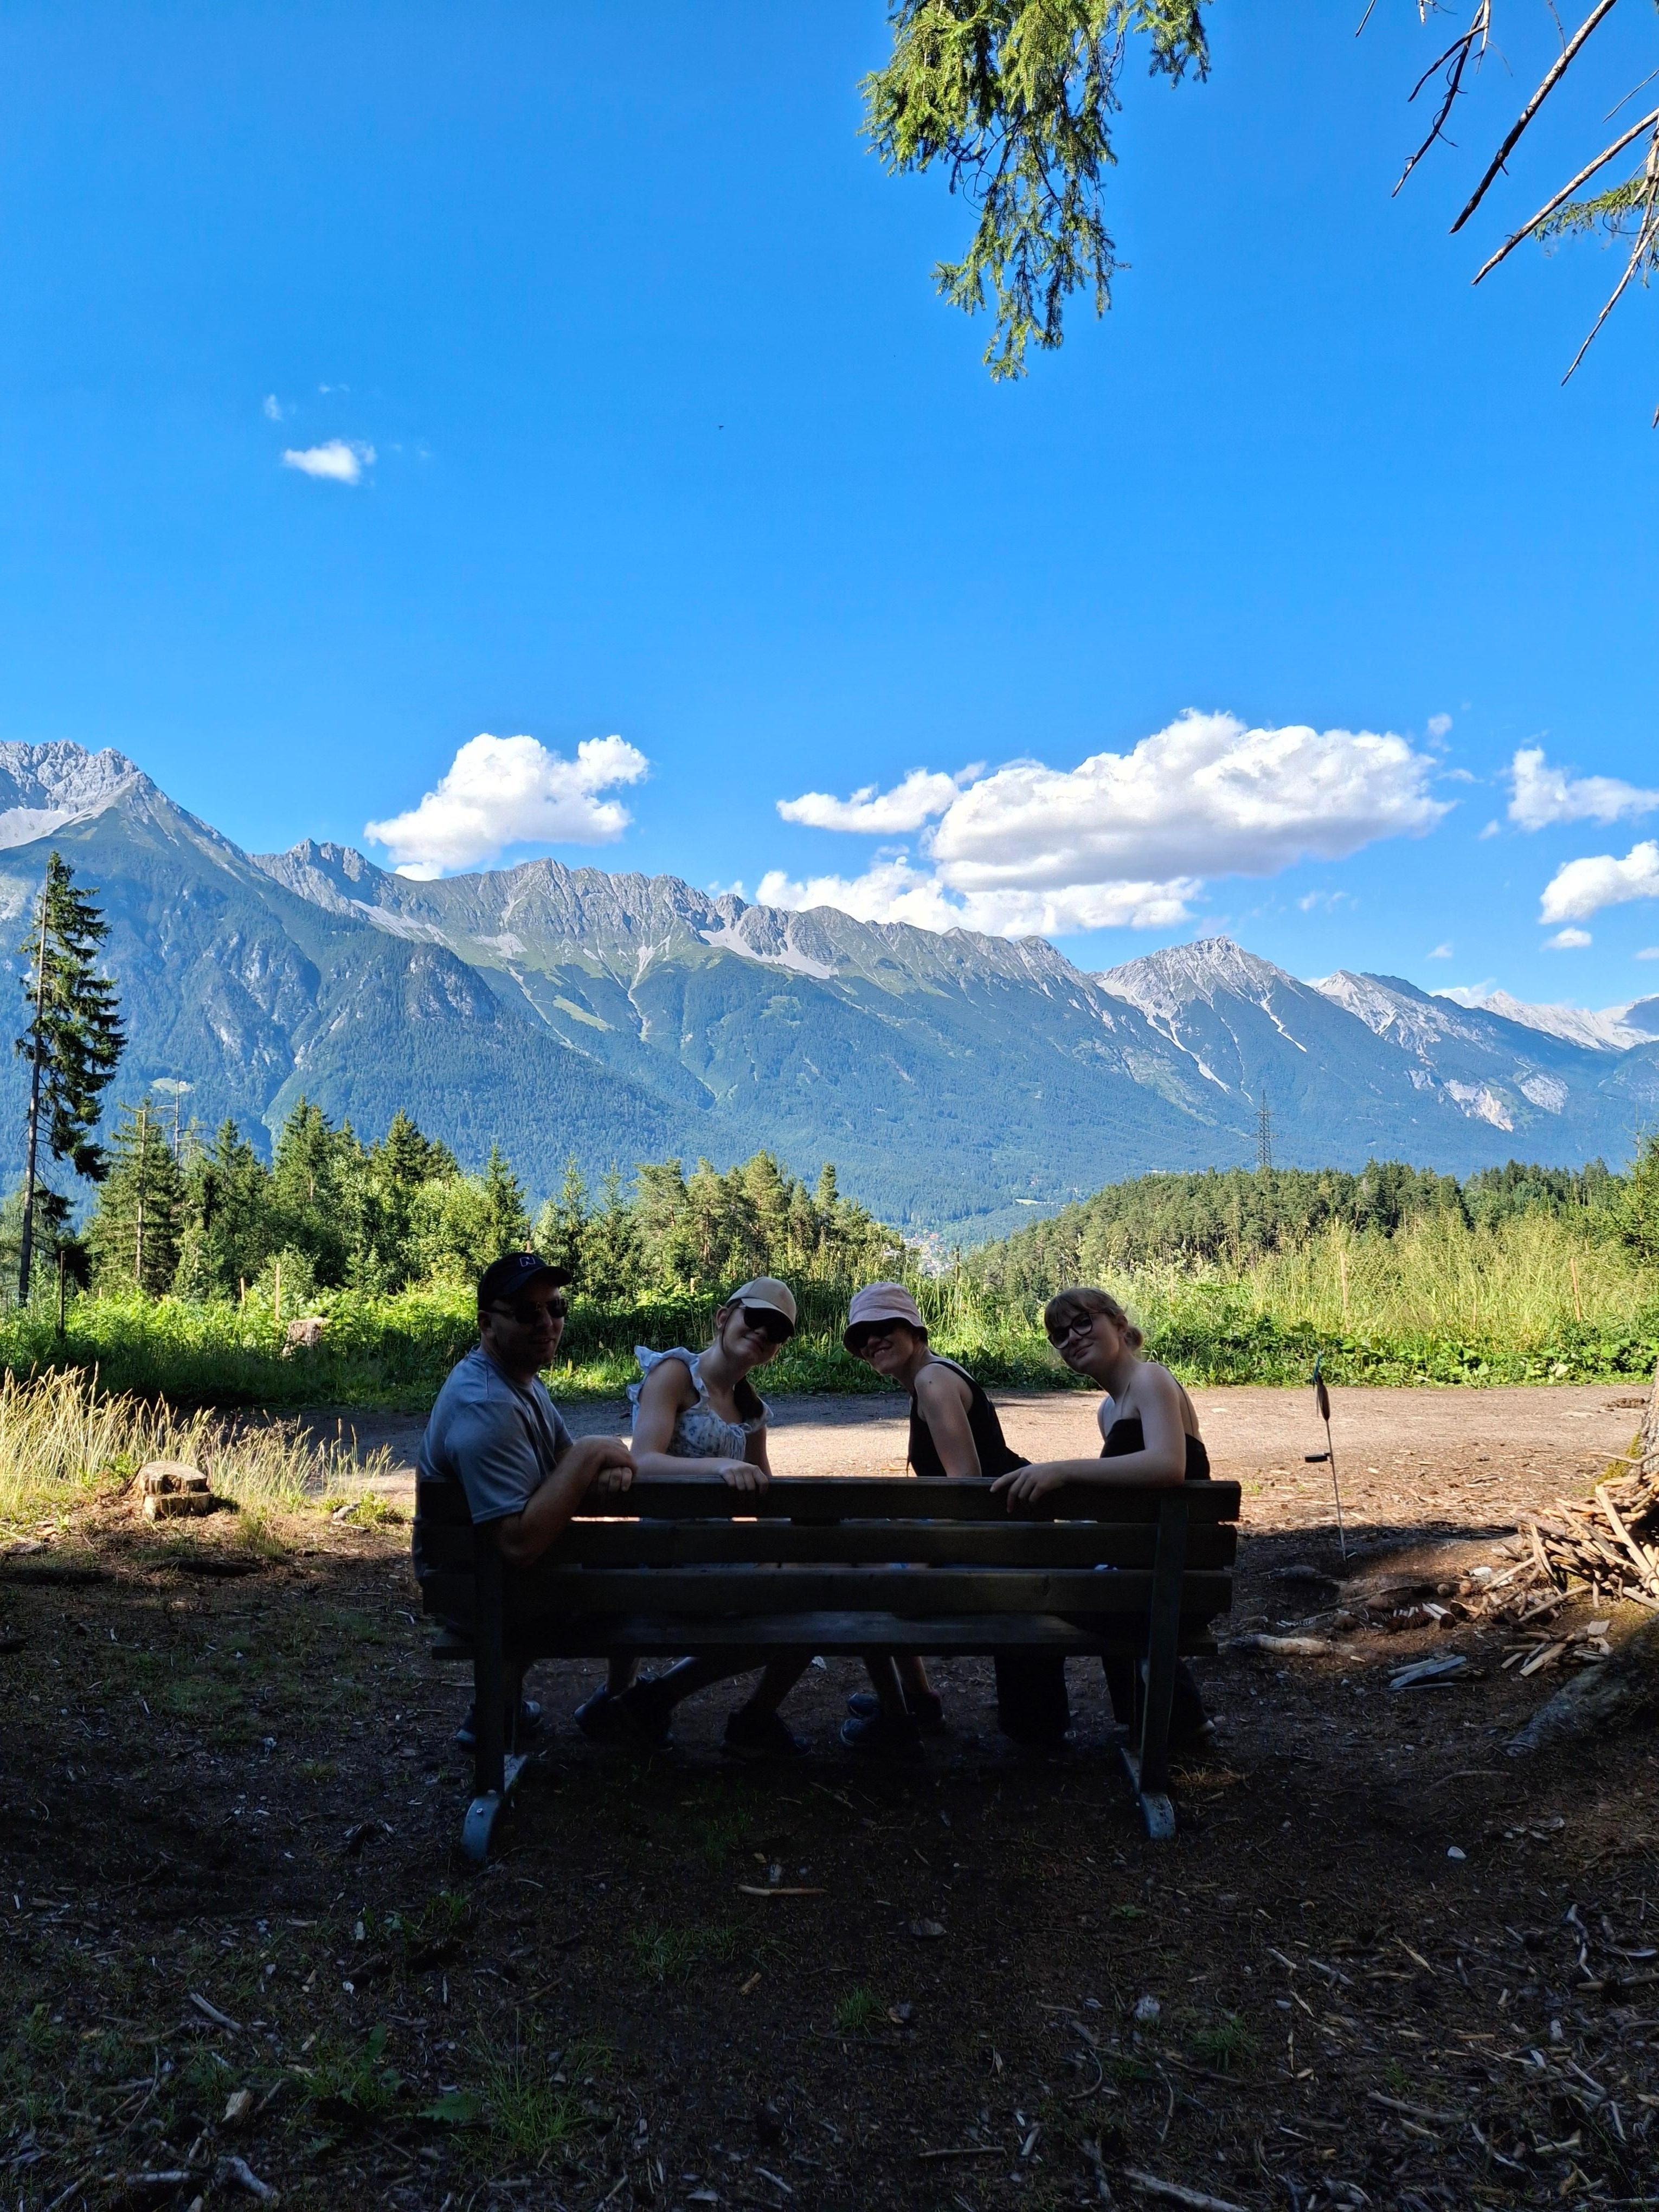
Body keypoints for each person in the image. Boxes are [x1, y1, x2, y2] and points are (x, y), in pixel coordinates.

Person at [573, 1278, 812, 1761]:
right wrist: (720, 1467)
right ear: (724, 1317)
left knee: (806, 1588)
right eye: (756, 1318)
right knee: (807, 1600)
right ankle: (669, 1704)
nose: (764, 1332)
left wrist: (783, 1546)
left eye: (778, 1330)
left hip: (711, 1561)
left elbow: (763, 1494)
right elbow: (643, 1461)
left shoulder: (751, 1410)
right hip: (665, 1560)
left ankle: (638, 1700)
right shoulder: (675, 1375)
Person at [416, 1250, 635, 1748]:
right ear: (487, 1323)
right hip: (482, 1587)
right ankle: (620, 1706)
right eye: (526, 1312)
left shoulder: (516, 1379)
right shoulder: (488, 1405)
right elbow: (517, 1543)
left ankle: (494, 1713)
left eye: (555, 1309)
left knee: (625, 1566)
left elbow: (560, 1458)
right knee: (635, 1579)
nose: (547, 1324)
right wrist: (590, 1456)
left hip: (482, 1574)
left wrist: (588, 1466)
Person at [990, 1286, 1213, 1750]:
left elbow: (1168, 1466)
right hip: (1148, 1571)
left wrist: (1063, 1470)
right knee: (1072, 1571)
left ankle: (1035, 1732)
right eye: (1059, 1334)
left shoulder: (1150, 1379)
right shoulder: (1109, 1409)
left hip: (1168, 1580)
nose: (1071, 1337)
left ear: (1117, 1321)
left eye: (1083, 1322)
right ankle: (1176, 1721)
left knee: (1019, 1591)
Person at [840, 1282, 1045, 1757]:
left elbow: (965, 1494)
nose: (871, 1341)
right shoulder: (934, 1378)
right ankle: (917, 1701)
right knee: (865, 1551)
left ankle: (903, 1714)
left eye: (882, 1327)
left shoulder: (932, 1383)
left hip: (997, 1555)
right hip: (1010, 1543)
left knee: (857, 1575)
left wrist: (920, 1565)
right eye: (860, 1337)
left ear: (914, 1329)